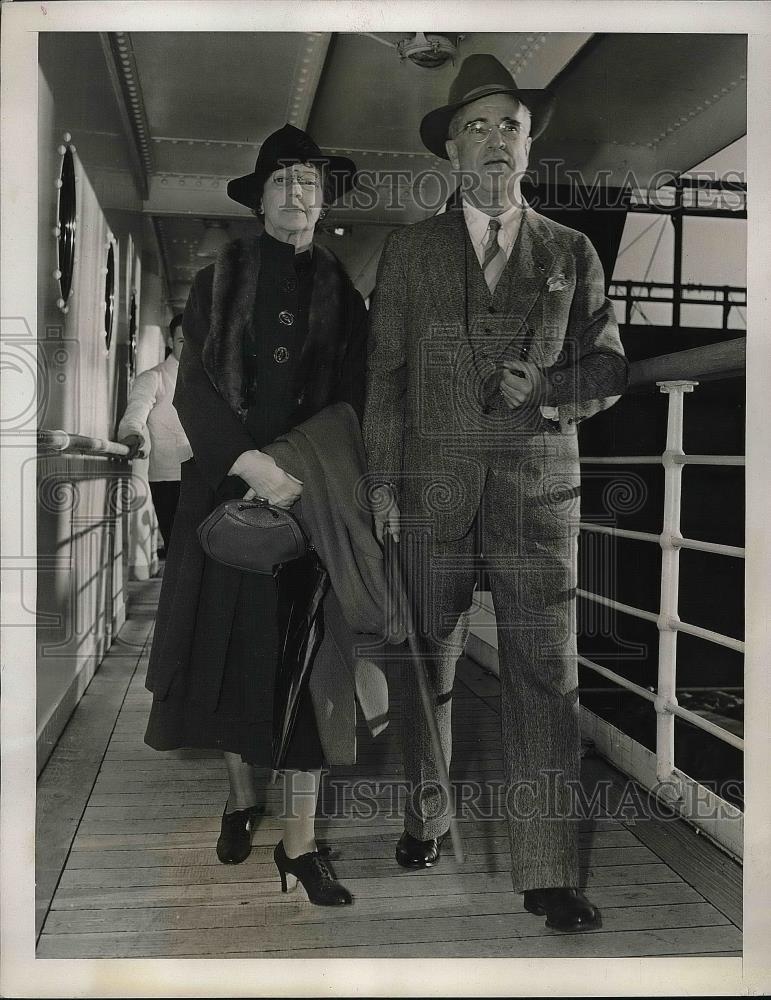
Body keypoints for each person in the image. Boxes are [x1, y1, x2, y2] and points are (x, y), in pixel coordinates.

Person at [363, 54, 629, 932]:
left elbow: (610, 365)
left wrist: (549, 388)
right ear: (449, 149)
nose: (494, 142)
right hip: (431, 490)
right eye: (475, 127)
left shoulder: (571, 251)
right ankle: (424, 817)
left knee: (543, 676)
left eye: (509, 126)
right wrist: (382, 488)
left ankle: (548, 872)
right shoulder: (408, 252)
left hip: (535, 492)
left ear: (526, 146)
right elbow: (385, 384)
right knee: (423, 661)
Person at [143, 124, 372, 906]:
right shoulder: (218, 280)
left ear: (323, 200)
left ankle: (301, 847)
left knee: (306, 666)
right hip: (226, 497)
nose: (296, 191)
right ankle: (242, 802)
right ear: (260, 199)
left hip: (309, 505)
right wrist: (247, 464)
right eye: (281, 180)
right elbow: (193, 388)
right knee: (231, 656)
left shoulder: (344, 293)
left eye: (308, 180)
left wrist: (311, 474)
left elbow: (356, 399)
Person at [117, 314, 191, 558]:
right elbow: (136, 412)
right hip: (168, 478)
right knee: (178, 551)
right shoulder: (153, 378)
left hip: (204, 476)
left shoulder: (209, 380)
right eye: (181, 340)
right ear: (171, 342)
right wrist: (132, 434)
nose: (188, 345)